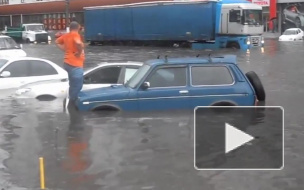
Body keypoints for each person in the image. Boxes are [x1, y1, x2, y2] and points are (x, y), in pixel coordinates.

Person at [55, 21, 85, 107]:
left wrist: (64, 49)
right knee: (77, 86)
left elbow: (57, 42)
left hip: (67, 63)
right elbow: (78, 43)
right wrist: (79, 52)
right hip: (75, 65)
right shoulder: (75, 35)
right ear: (78, 27)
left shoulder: (66, 35)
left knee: (72, 85)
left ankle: (69, 104)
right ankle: (73, 105)